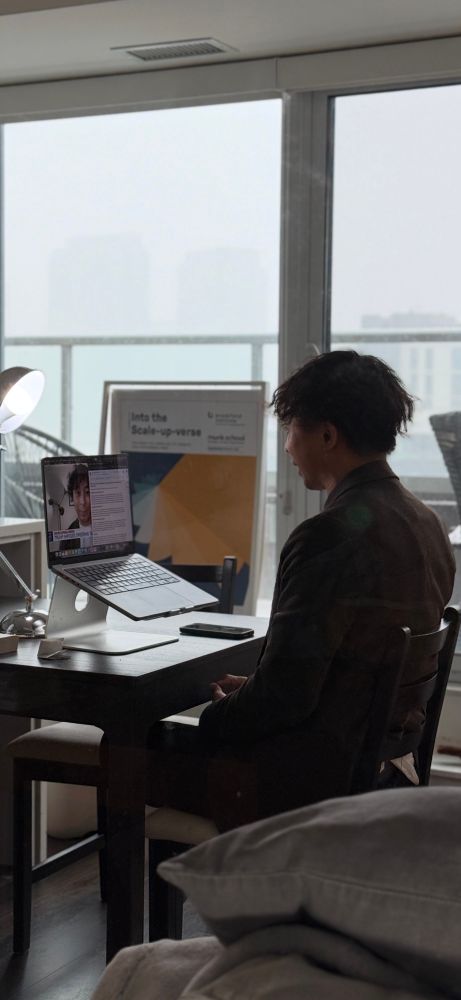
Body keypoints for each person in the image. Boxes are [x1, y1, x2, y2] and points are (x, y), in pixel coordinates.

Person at [146, 351, 455, 830]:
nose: (288, 448)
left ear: (327, 435)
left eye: (291, 430)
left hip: (306, 781)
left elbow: (287, 700)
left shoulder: (330, 535)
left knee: (130, 751)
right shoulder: (428, 522)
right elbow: (343, 671)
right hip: (381, 768)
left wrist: (215, 715)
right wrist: (255, 690)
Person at [67, 464, 91, 529]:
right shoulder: (69, 533)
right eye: (78, 493)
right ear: (72, 497)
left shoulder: (106, 527)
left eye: (87, 492)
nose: (83, 502)